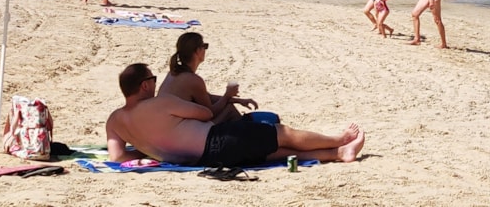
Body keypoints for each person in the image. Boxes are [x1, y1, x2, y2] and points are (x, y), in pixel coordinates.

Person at [106, 63, 366, 167]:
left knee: (275, 153)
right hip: (217, 141)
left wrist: (146, 152)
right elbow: (204, 113)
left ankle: (338, 154)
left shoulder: (115, 120)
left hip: (200, 161)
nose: (155, 82)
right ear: (144, 85)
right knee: (282, 133)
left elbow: (117, 157)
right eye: (153, 79)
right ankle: (338, 140)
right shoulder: (160, 103)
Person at [157, 32, 258, 123]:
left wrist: (238, 100)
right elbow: (210, 112)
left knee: (227, 106)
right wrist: (227, 95)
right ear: (197, 51)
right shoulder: (193, 80)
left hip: (164, 123)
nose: (205, 50)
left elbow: (207, 97)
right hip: (176, 129)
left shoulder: (173, 72)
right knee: (229, 110)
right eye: (204, 46)